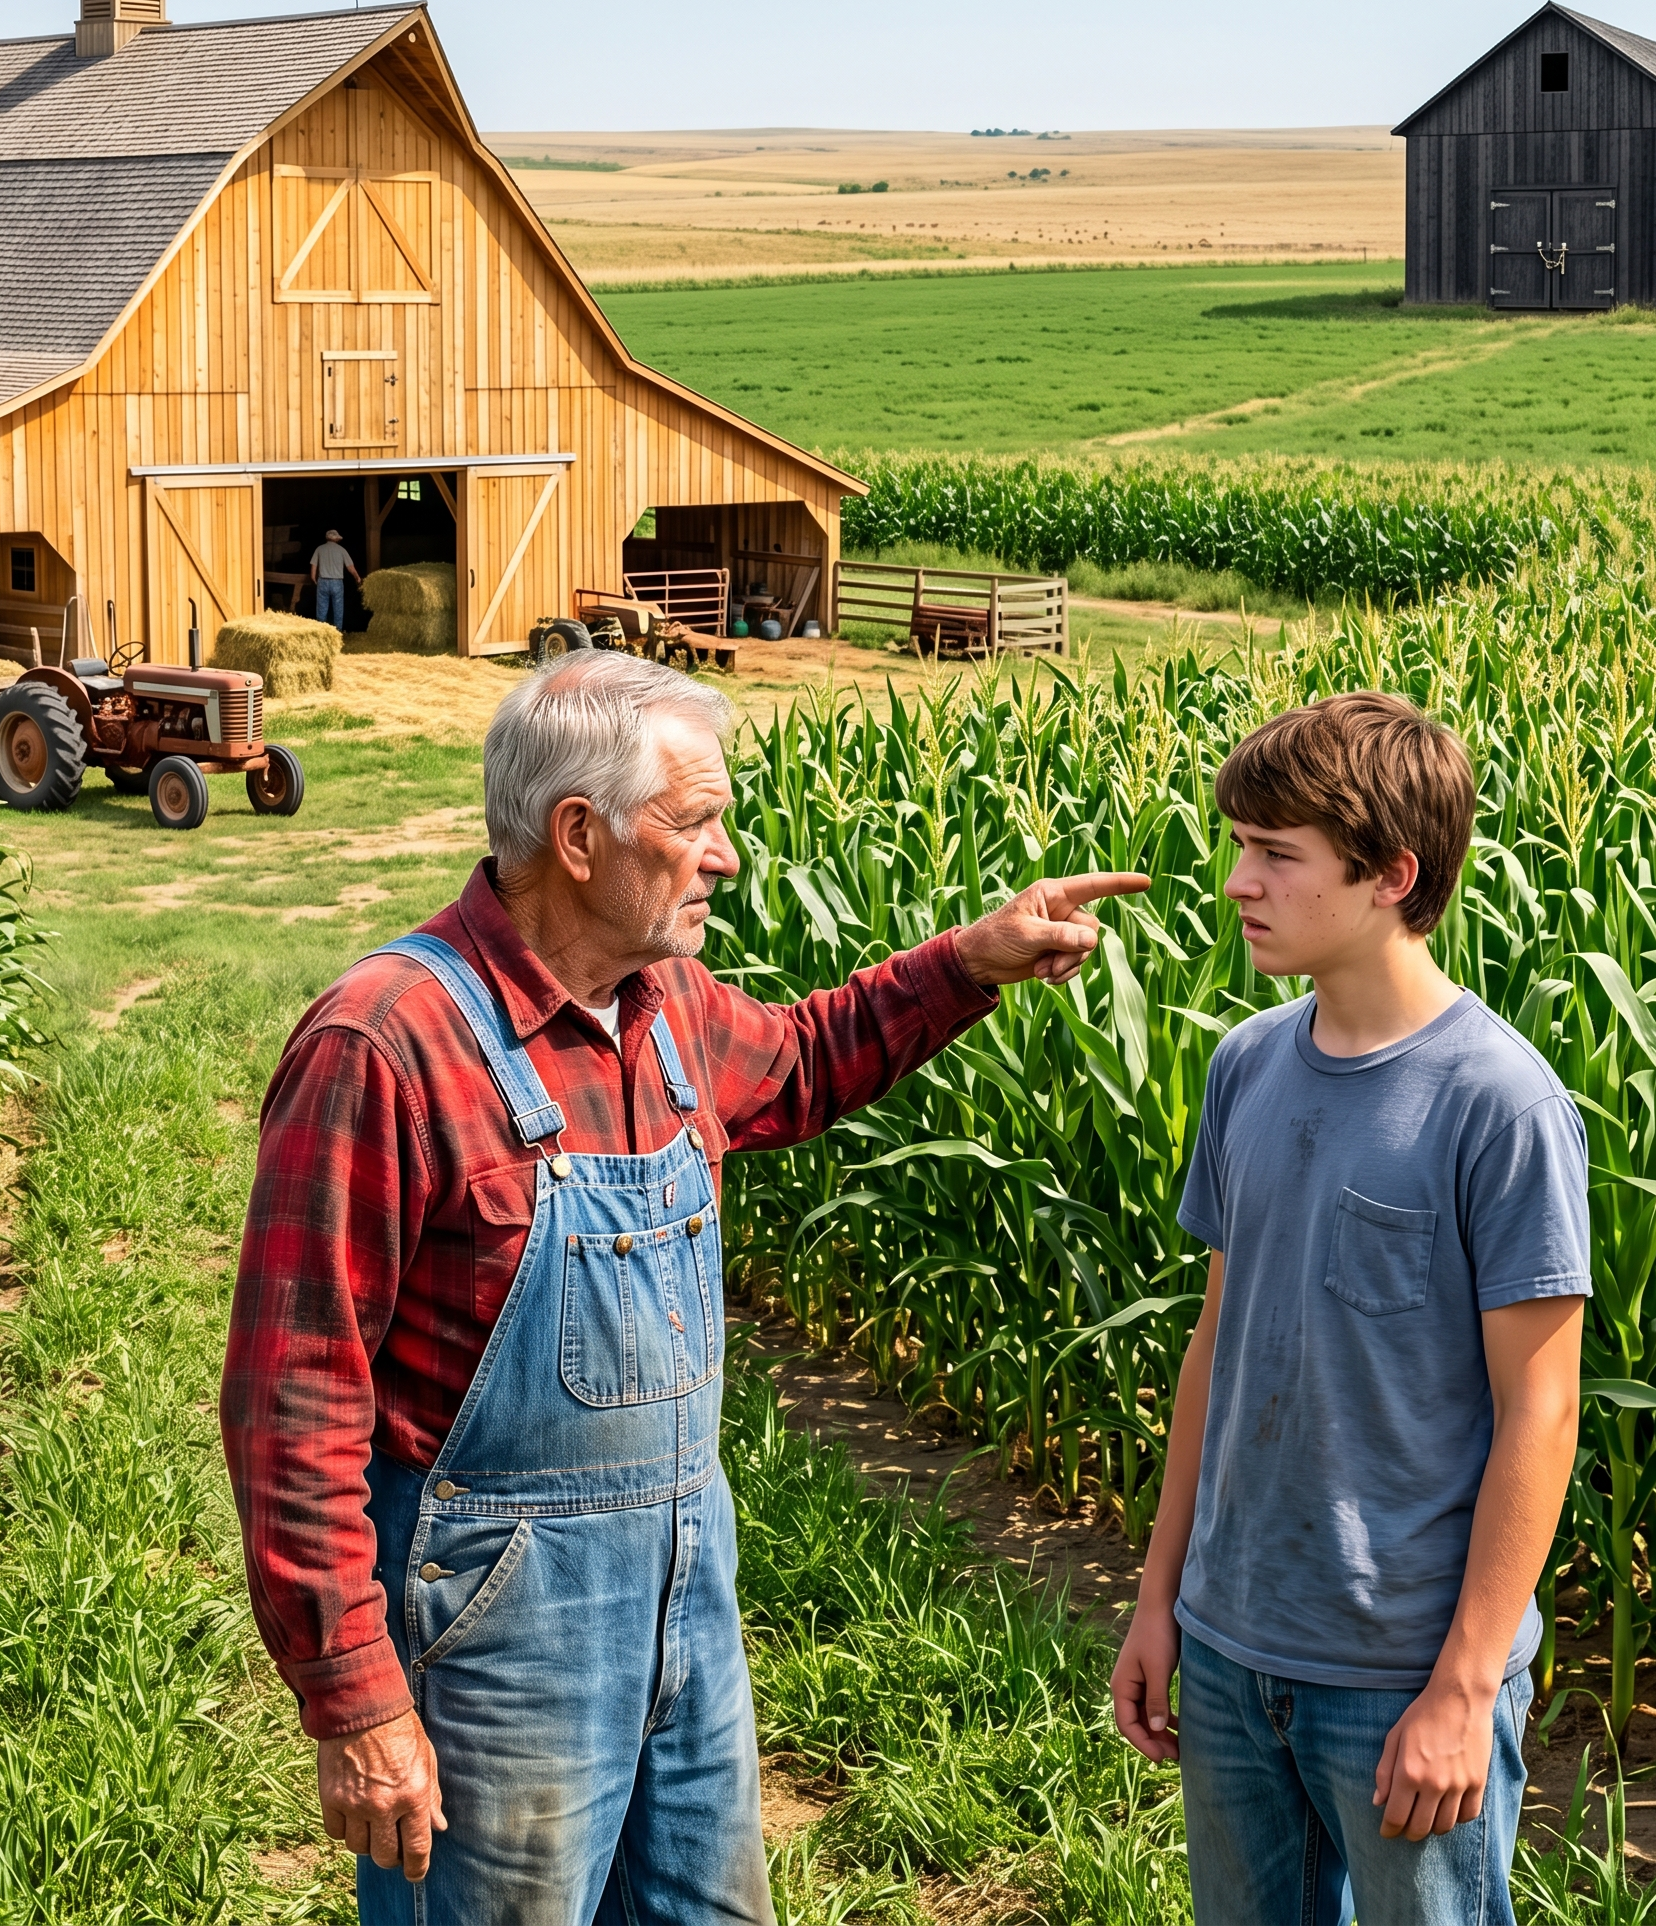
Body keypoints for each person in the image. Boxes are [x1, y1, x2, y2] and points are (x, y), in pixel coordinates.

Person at [220, 651, 1148, 1922]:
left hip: (686, 1598)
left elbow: (806, 1058)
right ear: (580, 835)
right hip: (497, 1627)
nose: (724, 856)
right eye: (694, 822)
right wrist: (357, 1697)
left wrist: (970, 961)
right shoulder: (384, 1044)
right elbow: (294, 1398)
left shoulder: (660, 1008)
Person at [1110, 691, 1589, 1926]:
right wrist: (1161, 1598)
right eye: (1238, 846)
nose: (1236, 882)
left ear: (1390, 874)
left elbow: (1539, 1409)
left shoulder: (1499, 1105)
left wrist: (1462, 1686)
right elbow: (1213, 1349)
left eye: (1274, 853)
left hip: (1400, 1679)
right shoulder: (1245, 1065)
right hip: (1227, 1649)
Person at [310, 527, 358, 629]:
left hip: (322, 581)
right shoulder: (342, 550)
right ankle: (337, 633)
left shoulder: (319, 549)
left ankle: (321, 633)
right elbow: (350, 567)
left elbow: (314, 565)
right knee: (338, 610)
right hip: (337, 582)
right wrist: (357, 577)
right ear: (336, 539)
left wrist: (313, 577)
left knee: (321, 610)